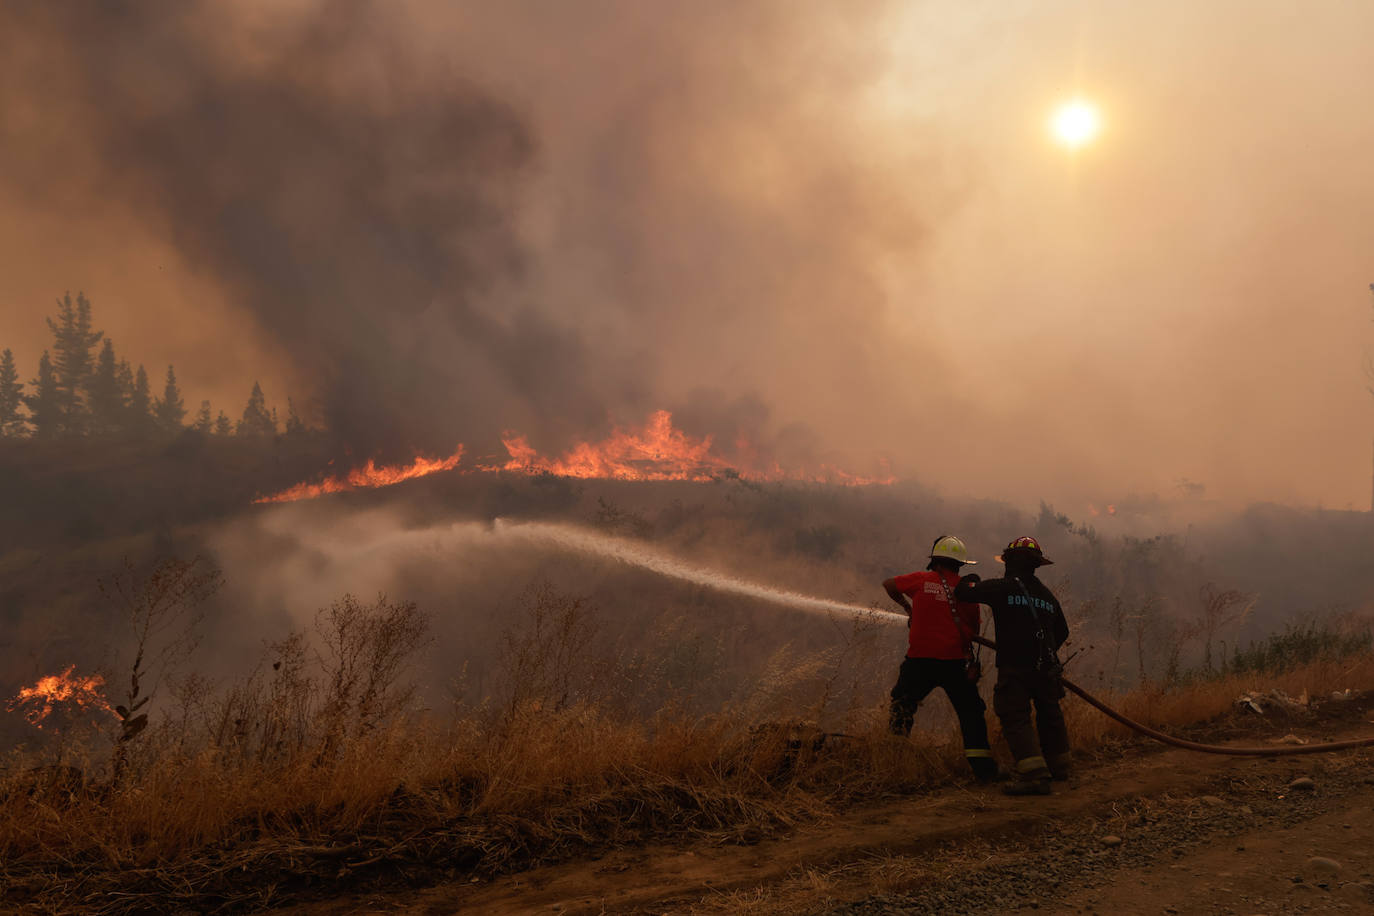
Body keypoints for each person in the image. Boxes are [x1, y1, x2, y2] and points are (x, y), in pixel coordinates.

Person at [955, 535, 1070, 796]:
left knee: (1014, 714)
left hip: (1015, 667)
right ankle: (1060, 767)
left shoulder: (1002, 587)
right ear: (1036, 565)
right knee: (1050, 713)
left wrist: (969, 578)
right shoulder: (1047, 596)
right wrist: (1044, 651)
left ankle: (1034, 776)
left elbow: (965, 593)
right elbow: (1062, 631)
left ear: (1010, 561)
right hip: (1047, 667)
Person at [882, 535, 998, 783]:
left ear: (935, 561)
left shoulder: (921, 580)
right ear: (960, 565)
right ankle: (984, 771)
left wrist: (908, 608)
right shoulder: (966, 592)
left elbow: (889, 584)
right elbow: (974, 631)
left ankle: (891, 763)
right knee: (971, 714)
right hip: (954, 662)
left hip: (918, 662)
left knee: (902, 706)